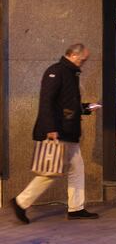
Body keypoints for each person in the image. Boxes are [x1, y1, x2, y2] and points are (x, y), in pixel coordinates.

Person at [11, 44, 101, 224]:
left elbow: (66, 105)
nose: (83, 63)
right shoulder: (56, 71)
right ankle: (20, 202)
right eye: (82, 59)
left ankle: (76, 208)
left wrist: (85, 108)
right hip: (58, 132)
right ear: (73, 55)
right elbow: (46, 101)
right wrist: (51, 129)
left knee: (77, 168)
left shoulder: (70, 73)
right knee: (50, 172)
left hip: (68, 131)